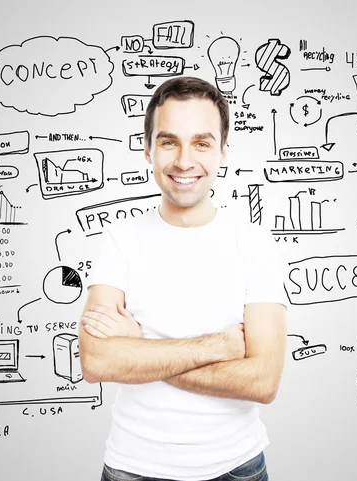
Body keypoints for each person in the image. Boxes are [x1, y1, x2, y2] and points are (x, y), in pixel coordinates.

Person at [78, 76, 288, 481]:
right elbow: (97, 360)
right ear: (149, 149)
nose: (184, 161)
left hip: (237, 468)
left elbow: (263, 381)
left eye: (202, 142)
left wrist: (140, 349)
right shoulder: (120, 238)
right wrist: (218, 346)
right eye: (169, 141)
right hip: (133, 468)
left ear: (224, 151)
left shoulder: (254, 242)